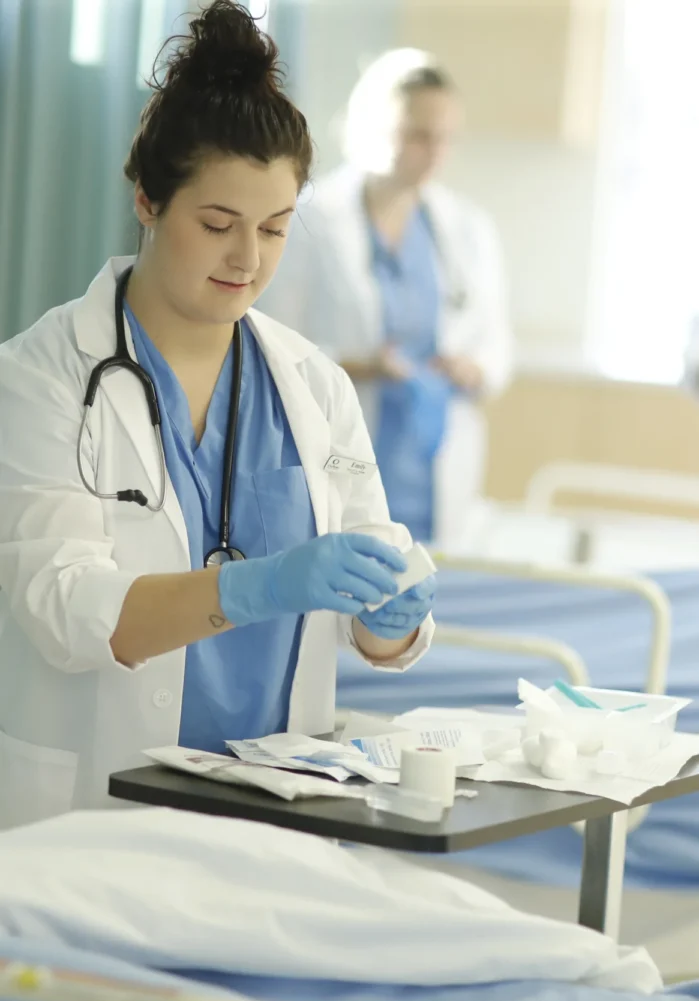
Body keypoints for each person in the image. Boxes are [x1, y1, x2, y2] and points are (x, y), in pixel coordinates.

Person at [0, 2, 435, 831]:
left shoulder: (313, 385)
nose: (248, 259)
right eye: (217, 224)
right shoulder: (39, 378)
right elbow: (66, 611)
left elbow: (365, 619)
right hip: (97, 808)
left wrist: (390, 618)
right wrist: (258, 586)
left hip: (277, 806)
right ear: (147, 201)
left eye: (274, 229)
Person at [260, 49, 515, 547]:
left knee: (426, 599)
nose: (434, 151)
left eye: (445, 138)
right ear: (374, 126)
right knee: (342, 582)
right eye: (418, 134)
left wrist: (474, 368)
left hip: (436, 457)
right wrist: (361, 365)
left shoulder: (467, 230)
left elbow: (498, 346)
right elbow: (270, 347)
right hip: (343, 449)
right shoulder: (312, 221)